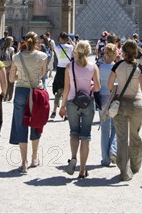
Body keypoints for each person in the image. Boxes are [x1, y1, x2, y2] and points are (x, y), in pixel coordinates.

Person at [107, 39, 142, 181]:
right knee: (135, 136)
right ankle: (135, 166)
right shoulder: (139, 68)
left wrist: (116, 88)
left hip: (121, 104)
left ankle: (125, 171)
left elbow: (109, 85)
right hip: (136, 104)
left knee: (121, 139)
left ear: (123, 53)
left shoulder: (117, 66)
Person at [59, 41, 100, 179]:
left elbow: (66, 88)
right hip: (88, 103)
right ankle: (82, 170)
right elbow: (98, 88)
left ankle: (73, 157)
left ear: (76, 51)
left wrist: (62, 106)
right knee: (86, 136)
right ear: (89, 52)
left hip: (72, 102)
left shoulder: (69, 66)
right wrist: (91, 85)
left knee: (74, 132)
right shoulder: (93, 67)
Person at [9, 32, 48, 174]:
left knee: (21, 125)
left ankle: (24, 162)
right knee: (36, 123)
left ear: (24, 41)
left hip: (21, 92)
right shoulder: (42, 56)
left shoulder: (16, 57)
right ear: (37, 41)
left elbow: (12, 79)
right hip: (36, 93)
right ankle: (34, 158)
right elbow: (42, 74)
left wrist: (21, 75)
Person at [98, 43, 118, 166]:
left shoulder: (99, 67)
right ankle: (113, 150)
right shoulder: (117, 67)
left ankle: (105, 159)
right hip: (114, 98)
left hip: (102, 98)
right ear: (115, 54)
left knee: (104, 129)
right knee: (115, 127)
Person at [51, 32, 74, 119]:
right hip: (68, 69)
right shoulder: (71, 47)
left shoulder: (57, 48)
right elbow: (76, 47)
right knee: (67, 92)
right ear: (67, 39)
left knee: (58, 92)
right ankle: (66, 114)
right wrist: (71, 42)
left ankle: (54, 110)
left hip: (60, 69)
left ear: (60, 38)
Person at [1, 36, 15, 101]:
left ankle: (5, 96)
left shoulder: (2, 48)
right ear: (10, 42)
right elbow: (13, 59)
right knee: (11, 82)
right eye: (12, 41)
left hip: (3, 66)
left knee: (5, 81)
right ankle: (10, 97)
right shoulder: (11, 49)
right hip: (9, 66)